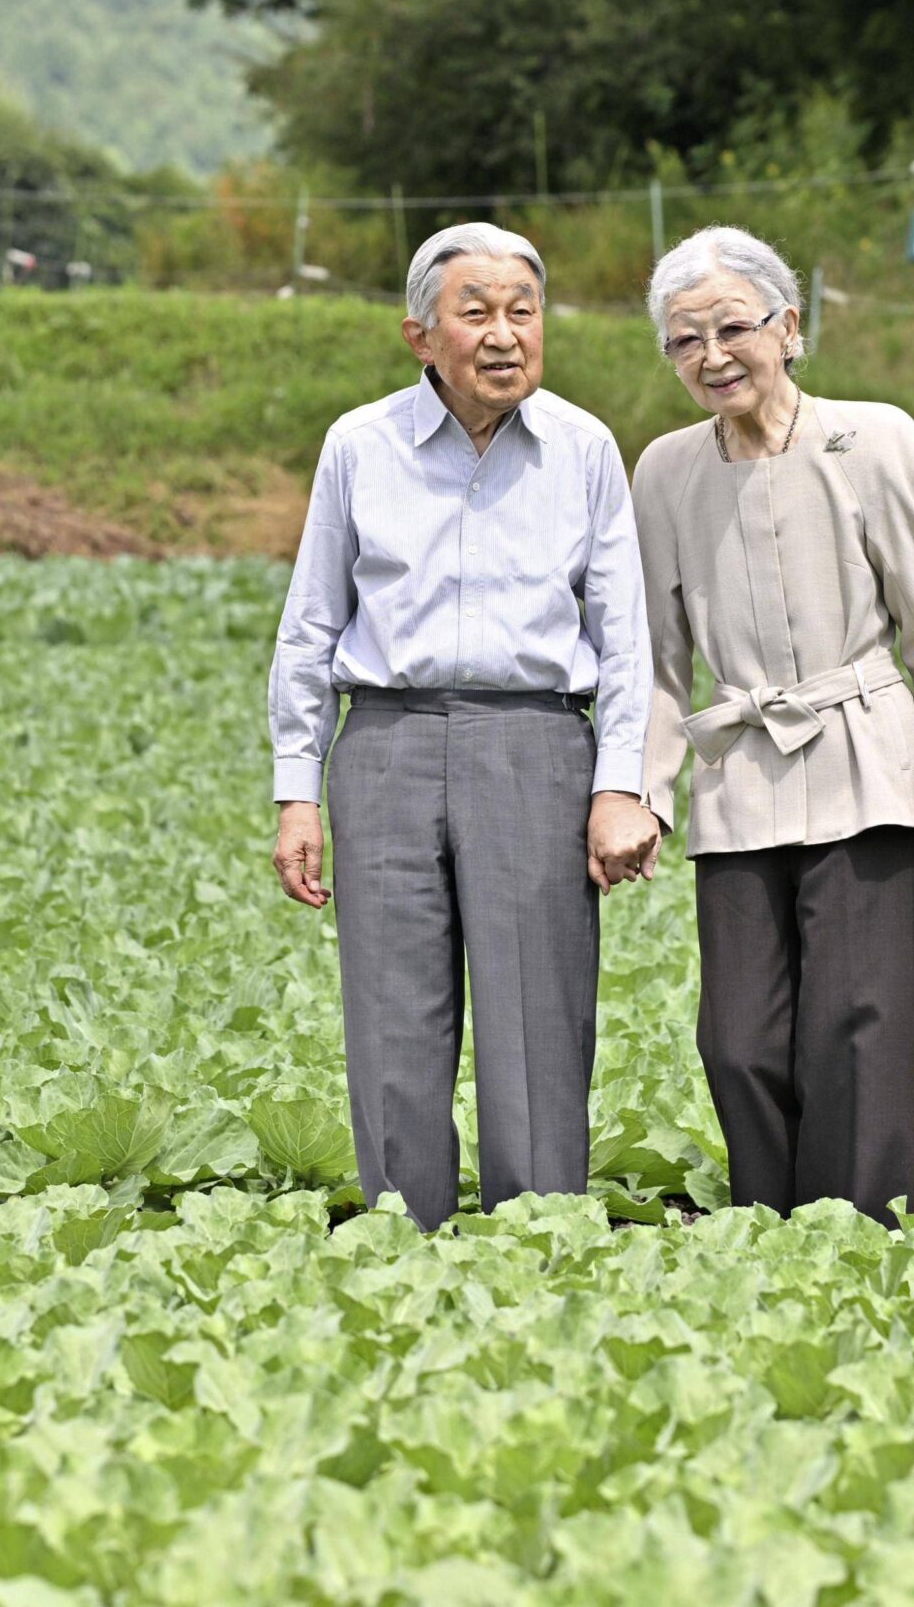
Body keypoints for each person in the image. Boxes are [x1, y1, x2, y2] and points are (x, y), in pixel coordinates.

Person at [268, 222, 661, 1229]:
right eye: (475, 312)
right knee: (393, 1019)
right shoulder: (360, 446)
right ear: (419, 336)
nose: (503, 335)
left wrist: (622, 783)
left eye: (522, 312)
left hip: (536, 744)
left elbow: (624, 637)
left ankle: (537, 1241)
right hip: (387, 743)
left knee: (538, 1018)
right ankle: (407, 1238)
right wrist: (294, 792)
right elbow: (310, 625)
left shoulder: (581, 448)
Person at [631, 225, 914, 1225]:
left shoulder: (872, 440)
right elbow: (658, 661)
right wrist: (642, 796)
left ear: (789, 328)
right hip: (740, 776)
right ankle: (768, 1229)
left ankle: (858, 1240)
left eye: (732, 329)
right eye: (683, 341)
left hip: (870, 763)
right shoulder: (662, 471)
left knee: (859, 1027)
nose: (709, 356)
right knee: (737, 1039)